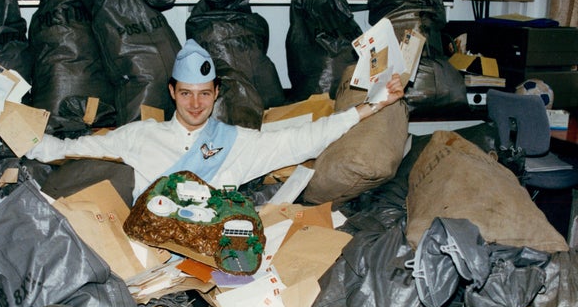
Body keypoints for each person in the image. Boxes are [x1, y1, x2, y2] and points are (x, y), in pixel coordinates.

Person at [26, 39, 405, 203]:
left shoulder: (236, 141)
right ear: (172, 91)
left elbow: (304, 139)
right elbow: (66, 149)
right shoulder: (139, 135)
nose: (195, 104)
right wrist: (5, 119)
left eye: (205, 93)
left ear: (216, 93)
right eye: (186, 93)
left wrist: (370, 106)